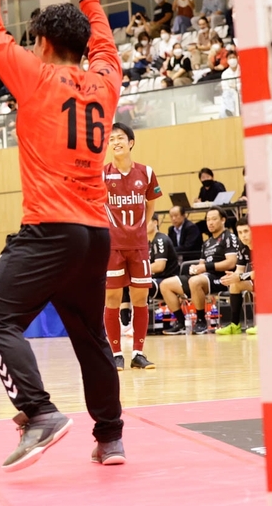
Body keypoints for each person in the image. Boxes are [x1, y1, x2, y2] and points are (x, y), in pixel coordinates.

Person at [0, 0, 125, 469]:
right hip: (95, 234)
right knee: (91, 338)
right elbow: (105, 46)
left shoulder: (34, 76)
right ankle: (111, 438)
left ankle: (39, 413)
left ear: (38, 42)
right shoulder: (106, 80)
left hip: (51, 228)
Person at [103, 123, 161, 371]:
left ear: (131, 142)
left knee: (140, 298)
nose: (116, 142)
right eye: (112, 139)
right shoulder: (102, 174)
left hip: (138, 246)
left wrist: (142, 226)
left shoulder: (146, 173)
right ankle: (116, 353)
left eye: (120, 138)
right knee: (113, 298)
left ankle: (138, 353)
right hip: (112, 247)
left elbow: (151, 203)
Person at [160, 207, 239, 335]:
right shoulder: (206, 243)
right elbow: (202, 264)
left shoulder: (229, 237)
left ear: (223, 220)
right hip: (204, 277)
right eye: (208, 220)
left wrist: (206, 267)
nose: (210, 223)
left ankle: (201, 321)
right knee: (165, 284)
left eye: (214, 219)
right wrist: (196, 268)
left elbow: (231, 262)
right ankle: (180, 322)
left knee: (195, 281)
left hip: (222, 277)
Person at [217, 218, 258, 335]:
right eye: (240, 232)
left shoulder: (262, 245)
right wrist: (231, 277)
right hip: (255, 282)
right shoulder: (243, 246)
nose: (243, 236)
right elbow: (239, 270)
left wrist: (239, 277)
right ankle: (235, 325)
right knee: (234, 284)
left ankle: (263, 324)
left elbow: (261, 273)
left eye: (246, 231)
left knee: (260, 281)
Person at [147, 214, 180, 290]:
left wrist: (137, 270)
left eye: (146, 221)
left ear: (155, 223)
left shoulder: (160, 239)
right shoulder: (147, 242)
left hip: (167, 279)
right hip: (155, 278)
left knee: (137, 285)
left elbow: (159, 267)